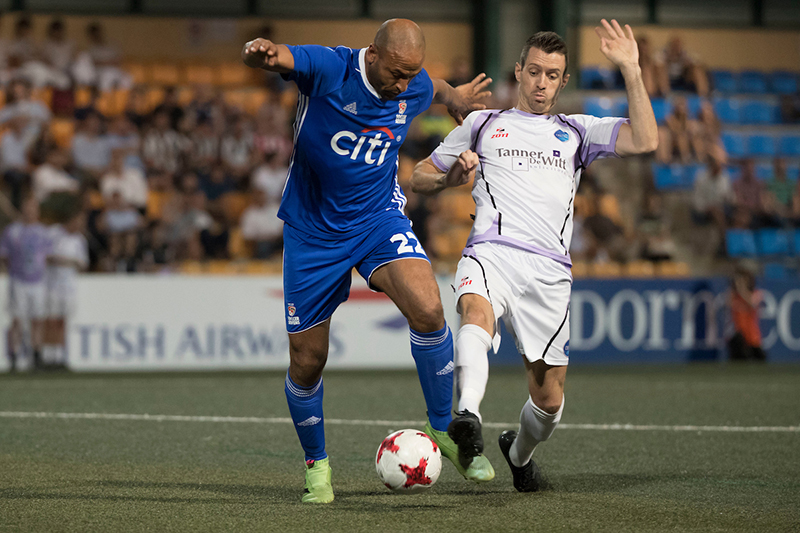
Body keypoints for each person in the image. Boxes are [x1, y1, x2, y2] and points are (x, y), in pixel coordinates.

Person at [241, 18, 494, 503]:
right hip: (313, 234)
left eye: (411, 74)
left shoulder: (412, 81)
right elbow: (285, 57)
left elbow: (432, 86)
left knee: (428, 308)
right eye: (397, 73)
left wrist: (454, 97)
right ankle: (317, 466)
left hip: (377, 219)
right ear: (372, 54)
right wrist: (265, 55)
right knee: (308, 360)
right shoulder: (332, 69)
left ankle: (443, 429)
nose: (404, 85)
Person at [410, 20, 658, 492]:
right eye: (534, 72)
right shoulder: (482, 124)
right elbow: (421, 175)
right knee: (475, 315)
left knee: (548, 402)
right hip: (492, 252)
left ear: (563, 82)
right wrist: (448, 179)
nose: (541, 83)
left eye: (552, 75)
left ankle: (519, 453)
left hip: (549, 273)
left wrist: (631, 69)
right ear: (518, 71)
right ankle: (467, 416)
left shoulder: (577, 132)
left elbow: (646, 141)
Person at [0, 197, 53, 371]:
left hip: (38, 281)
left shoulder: (43, 232)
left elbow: (48, 256)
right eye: (27, 208)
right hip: (19, 281)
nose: (30, 212)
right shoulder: (12, 231)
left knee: (37, 319)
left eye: (33, 208)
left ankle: (37, 354)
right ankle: (14, 355)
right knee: (17, 319)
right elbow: (4, 255)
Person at [44, 211, 88, 368]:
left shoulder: (79, 239)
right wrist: (68, 261)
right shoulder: (53, 233)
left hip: (69, 287)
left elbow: (83, 263)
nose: (80, 225)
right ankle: (49, 356)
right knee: (51, 320)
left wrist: (64, 261)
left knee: (63, 321)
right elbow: (46, 256)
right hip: (53, 286)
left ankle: (61, 356)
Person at [728, 266, 766, 361]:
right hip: (739, 337)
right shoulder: (733, 295)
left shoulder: (756, 293)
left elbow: (752, 303)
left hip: (753, 338)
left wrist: (742, 289)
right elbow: (728, 304)